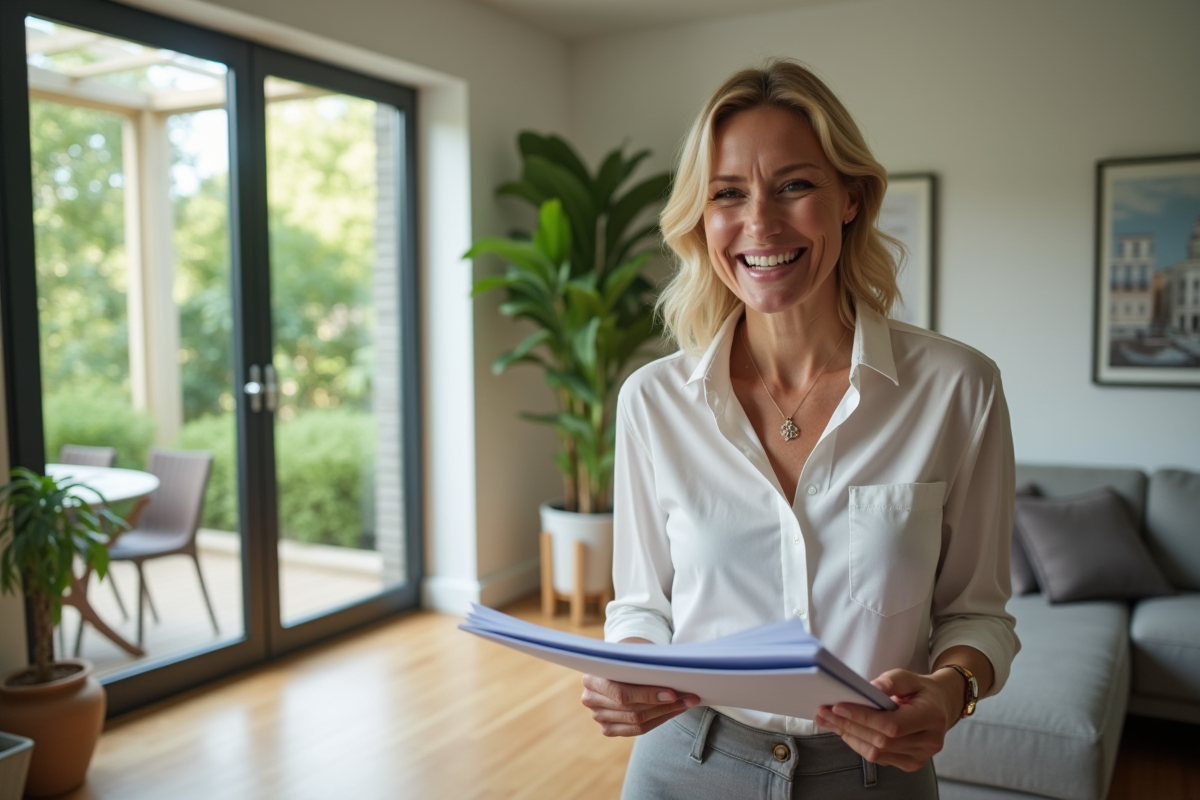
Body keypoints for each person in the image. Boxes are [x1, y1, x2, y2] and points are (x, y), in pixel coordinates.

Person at [580, 59, 1019, 799]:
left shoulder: (958, 388)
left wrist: (952, 692)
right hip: (685, 764)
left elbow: (977, 616)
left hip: (877, 776)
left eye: (794, 185)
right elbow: (643, 604)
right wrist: (626, 665)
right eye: (728, 193)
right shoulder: (652, 401)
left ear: (850, 198)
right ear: (701, 219)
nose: (760, 223)